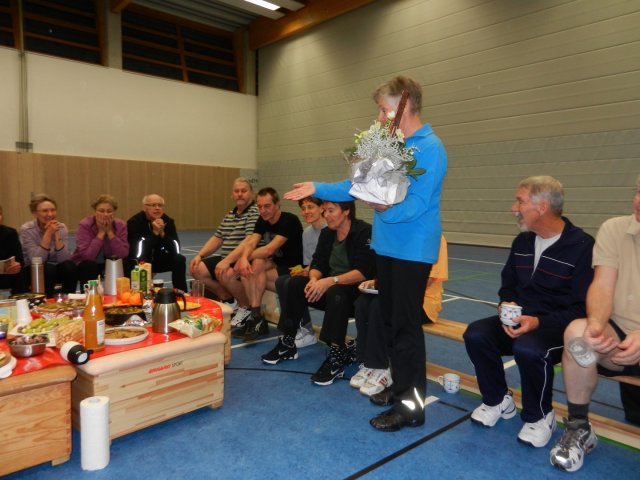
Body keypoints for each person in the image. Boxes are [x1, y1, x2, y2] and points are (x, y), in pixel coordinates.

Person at [284, 75, 447, 431]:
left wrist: (386, 208)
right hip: (387, 247)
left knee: (405, 328)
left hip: (412, 250)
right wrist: (318, 187)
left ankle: (411, 407)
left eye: (383, 109)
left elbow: (419, 203)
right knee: (389, 323)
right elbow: (356, 185)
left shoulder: (430, 148)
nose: (379, 116)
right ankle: (400, 388)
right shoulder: (391, 143)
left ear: (405, 105)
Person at [463, 176, 595, 449]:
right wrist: (506, 304)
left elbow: (582, 308)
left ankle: (540, 416)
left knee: (529, 348)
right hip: (521, 321)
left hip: (559, 328)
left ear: (542, 207)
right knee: (476, 334)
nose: (514, 208)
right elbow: (508, 285)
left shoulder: (582, 246)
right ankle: (498, 400)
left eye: (520, 201)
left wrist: (538, 322)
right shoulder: (522, 242)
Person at [549, 175, 640, 472]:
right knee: (578, 336)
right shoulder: (615, 229)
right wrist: (597, 326)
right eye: (638, 191)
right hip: (619, 341)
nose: (638, 201)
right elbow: (602, 285)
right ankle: (580, 426)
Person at [262, 200, 375, 386]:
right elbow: (317, 263)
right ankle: (288, 342)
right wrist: (314, 279)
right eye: (324, 211)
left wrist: (329, 281)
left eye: (331, 210)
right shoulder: (327, 233)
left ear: (346, 211)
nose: (326, 215)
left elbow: (363, 272)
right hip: (331, 287)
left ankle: (336, 356)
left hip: (356, 293)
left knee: (336, 293)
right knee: (295, 284)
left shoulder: (364, 232)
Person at [351, 236, 448, 396]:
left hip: (423, 302)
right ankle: (367, 363)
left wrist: (392, 291)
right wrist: (376, 282)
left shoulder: (435, 237)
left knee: (379, 307)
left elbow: (427, 280)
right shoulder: (400, 234)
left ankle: (382, 368)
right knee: (363, 303)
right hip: (398, 294)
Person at [229, 187, 303, 342]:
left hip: (293, 270)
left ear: (277, 204)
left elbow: (270, 249)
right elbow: (251, 242)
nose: (263, 211)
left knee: (252, 270)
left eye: (267, 206)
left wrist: (243, 259)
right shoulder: (262, 220)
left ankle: (256, 318)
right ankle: (256, 317)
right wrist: (244, 258)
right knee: (252, 268)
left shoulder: (289, 220)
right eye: (260, 206)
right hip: (275, 265)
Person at [189, 178, 259, 317]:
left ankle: (245, 308)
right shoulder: (230, 214)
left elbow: (249, 241)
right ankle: (227, 299)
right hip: (227, 258)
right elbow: (218, 238)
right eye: (236, 191)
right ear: (232, 195)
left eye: (244, 191)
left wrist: (227, 261)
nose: (240, 194)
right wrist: (200, 255)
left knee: (226, 274)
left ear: (251, 194)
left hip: (244, 259)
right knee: (196, 268)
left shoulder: (255, 212)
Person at [274, 196, 327, 349]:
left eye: (310, 207)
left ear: (321, 208)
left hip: (327, 275)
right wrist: (304, 270)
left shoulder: (330, 230)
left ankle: (304, 331)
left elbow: (328, 262)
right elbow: (309, 262)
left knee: (293, 284)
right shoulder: (307, 233)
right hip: (314, 273)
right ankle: (300, 328)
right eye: (303, 209)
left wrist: (310, 270)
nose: (306, 212)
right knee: (281, 281)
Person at [19, 194, 78, 296]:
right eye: (45, 211)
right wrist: (48, 234)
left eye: (53, 210)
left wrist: (56, 235)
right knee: (47, 269)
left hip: (56, 268)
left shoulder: (61, 227)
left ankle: (69, 299)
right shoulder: (27, 229)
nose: (50, 214)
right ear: (35, 213)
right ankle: (47, 300)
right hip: (34, 270)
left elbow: (64, 259)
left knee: (70, 266)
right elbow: (36, 260)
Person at [127, 194, 188, 292]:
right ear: (145, 208)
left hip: (160, 259)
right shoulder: (134, 222)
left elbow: (176, 249)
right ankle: (142, 293)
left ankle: (181, 292)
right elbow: (137, 252)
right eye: (153, 205)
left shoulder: (168, 221)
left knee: (179, 259)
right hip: (142, 261)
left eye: (160, 205)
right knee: (139, 261)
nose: (157, 208)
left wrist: (162, 234)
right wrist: (155, 233)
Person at [71, 194, 129, 287]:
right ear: (95, 211)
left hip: (109, 262)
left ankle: (122, 293)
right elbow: (87, 256)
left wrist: (110, 233)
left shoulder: (121, 225)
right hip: (86, 263)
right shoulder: (85, 225)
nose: (105, 214)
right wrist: (100, 234)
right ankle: (89, 294)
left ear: (114, 212)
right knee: (89, 265)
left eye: (109, 211)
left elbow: (122, 254)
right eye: (101, 211)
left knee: (124, 263)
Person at [0, 205, 26, 294]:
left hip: (6, 275)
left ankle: (19, 299)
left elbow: (19, 260)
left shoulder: (10, 233)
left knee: (20, 272)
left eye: (0, 214)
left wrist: (15, 266)